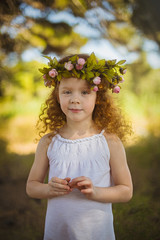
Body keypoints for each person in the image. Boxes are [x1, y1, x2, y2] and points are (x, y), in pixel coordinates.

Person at [26, 52, 133, 240]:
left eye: (85, 92)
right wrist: (49, 189)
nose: (75, 99)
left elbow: (126, 190)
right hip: (58, 233)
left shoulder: (109, 141)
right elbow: (32, 186)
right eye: (67, 92)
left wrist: (96, 191)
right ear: (58, 96)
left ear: (98, 97)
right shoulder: (49, 142)